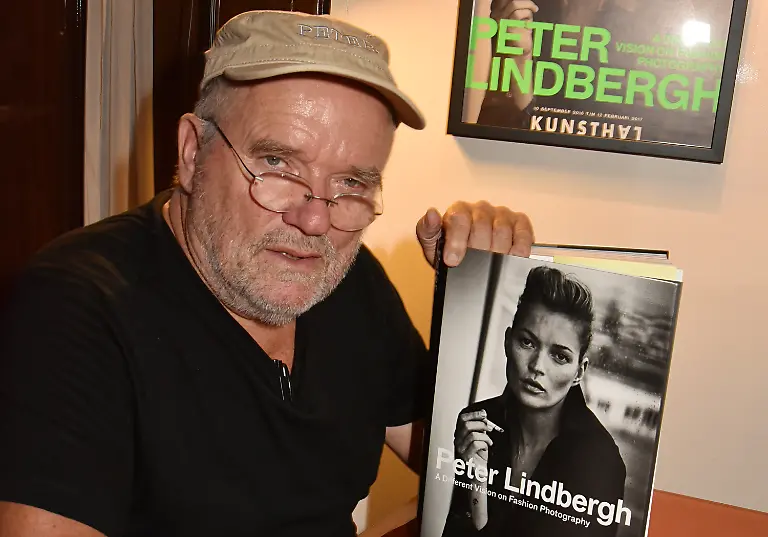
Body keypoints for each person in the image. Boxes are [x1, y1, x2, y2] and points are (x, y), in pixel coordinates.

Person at [0, 9, 535, 537]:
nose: (315, 219)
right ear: (192, 152)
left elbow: (455, 466)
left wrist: (474, 294)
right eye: (278, 164)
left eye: (351, 183)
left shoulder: (349, 281)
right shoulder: (77, 306)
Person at [442, 265, 626, 537]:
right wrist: (476, 484)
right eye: (527, 343)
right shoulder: (477, 423)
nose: (537, 366)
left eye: (560, 356)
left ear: (579, 371)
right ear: (507, 341)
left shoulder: (599, 461)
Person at [475, 0, 725, 146]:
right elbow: (492, 134)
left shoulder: (676, 21)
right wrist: (519, 59)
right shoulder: (524, 8)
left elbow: (679, 143)